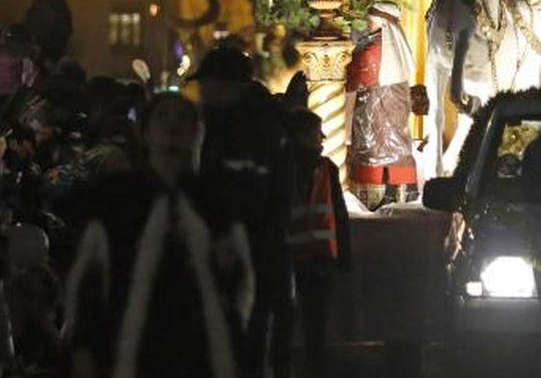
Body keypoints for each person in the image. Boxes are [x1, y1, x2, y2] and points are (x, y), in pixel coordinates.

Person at [62, 93, 253, 378]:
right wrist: (82, 347)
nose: (172, 124)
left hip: (197, 351)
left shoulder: (213, 200)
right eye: (162, 115)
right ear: (145, 131)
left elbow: (240, 286)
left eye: (182, 117)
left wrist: (226, 267)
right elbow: (90, 278)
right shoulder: (117, 197)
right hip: (127, 347)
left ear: (196, 131)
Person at [196, 45, 295, 378]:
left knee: (250, 343)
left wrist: (226, 235)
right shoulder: (233, 121)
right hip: (249, 253)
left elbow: (245, 191)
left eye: (206, 85)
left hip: (252, 255)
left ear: (226, 85)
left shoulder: (252, 127)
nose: (202, 93)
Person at [282, 110, 350, 378]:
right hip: (292, 258)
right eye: (314, 133)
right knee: (291, 324)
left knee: (315, 325)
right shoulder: (283, 167)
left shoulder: (326, 169)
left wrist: (343, 256)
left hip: (318, 258)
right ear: (300, 136)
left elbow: (339, 214)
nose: (321, 139)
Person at [346, 3, 418, 208]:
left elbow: (357, 74)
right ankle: (401, 190)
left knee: (376, 150)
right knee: (396, 149)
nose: (368, 22)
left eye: (372, 19)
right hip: (390, 109)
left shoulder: (374, 49)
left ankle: (378, 196)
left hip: (376, 110)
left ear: (384, 22)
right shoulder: (382, 45)